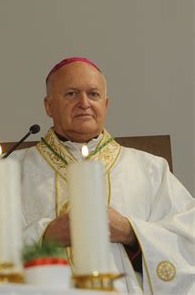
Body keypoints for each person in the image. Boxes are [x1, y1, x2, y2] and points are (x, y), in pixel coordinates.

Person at [11, 57, 194, 294]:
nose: (84, 103)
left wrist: (130, 233)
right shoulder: (11, 171)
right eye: (71, 94)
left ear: (106, 104)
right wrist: (45, 237)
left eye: (93, 94)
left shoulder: (150, 169)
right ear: (48, 105)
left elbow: (187, 244)